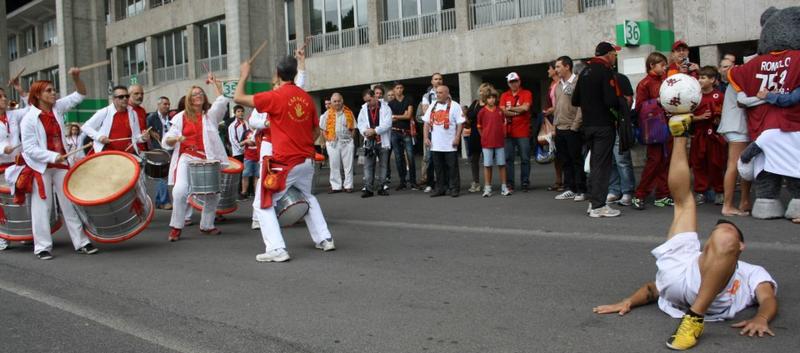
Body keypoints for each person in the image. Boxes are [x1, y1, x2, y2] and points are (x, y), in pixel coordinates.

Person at [593, 128, 778, 351]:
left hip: (707, 295)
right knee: (683, 202)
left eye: (727, 234)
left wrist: (762, 318)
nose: (715, 237)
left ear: (741, 247)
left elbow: (767, 299)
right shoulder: (698, 255)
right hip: (680, 271)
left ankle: (694, 319)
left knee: (725, 236)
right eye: (712, 239)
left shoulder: (750, 271)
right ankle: (679, 133)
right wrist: (628, 301)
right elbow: (654, 289)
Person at [234, 55, 335, 262]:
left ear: (278, 75)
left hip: (284, 162)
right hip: (306, 160)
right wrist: (304, 143)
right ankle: (325, 239)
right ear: (296, 73)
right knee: (308, 197)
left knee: (264, 203)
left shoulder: (275, 96)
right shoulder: (306, 98)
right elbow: (316, 130)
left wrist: (244, 74)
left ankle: (277, 248)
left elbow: (239, 98)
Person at [15, 68, 98, 260]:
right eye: (49, 91)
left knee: (70, 203)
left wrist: (76, 78)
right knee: (42, 207)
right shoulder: (28, 119)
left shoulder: (57, 108)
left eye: (54, 90)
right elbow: (29, 148)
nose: (54, 93)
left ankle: (81, 241)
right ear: (38, 95)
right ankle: (42, 246)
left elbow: (80, 95)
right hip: (41, 166)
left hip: (61, 165)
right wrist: (52, 157)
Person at [162, 73, 229, 241]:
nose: (198, 96)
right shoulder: (180, 117)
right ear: (189, 99)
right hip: (187, 158)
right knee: (179, 191)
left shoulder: (211, 115)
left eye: (200, 93)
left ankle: (207, 225)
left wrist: (216, 84)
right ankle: (176, 227)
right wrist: (175, 139)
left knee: (213, 194)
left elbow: (222, 100)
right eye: (194, 94)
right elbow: (167, 139)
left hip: (208, 159)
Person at [572, 41, 622, 218]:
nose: (615, 57)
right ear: (608, 54)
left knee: (594, 164)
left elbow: (575, 100)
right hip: (603, 125)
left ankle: (593, 202)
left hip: (588, 125)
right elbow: (610, 100)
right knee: (602, 165)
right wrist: (621, 103)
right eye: (614, 54)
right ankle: (598, 206)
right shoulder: (605, 70)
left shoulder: (584, 71)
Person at [632, 52, 672, 210]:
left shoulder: (665, 80)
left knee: (664, 160)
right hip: (654, 127)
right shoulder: (644, 84)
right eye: (662, 65)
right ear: (652, 65)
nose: (665, 67)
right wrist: (656, 101)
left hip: (666, 124)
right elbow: (640, 107)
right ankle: (640, 194)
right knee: (654, 161)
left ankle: (662, 194)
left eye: (665, 65)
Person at [0, 78, 29, 251]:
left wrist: (20, 90)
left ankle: (24, 232)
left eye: (4, 96)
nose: (4, 99)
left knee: (22, 199)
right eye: (0, 96)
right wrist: (4, 148)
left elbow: (32, 109)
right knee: (3, 203)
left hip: (18, 164)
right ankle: (3, 236)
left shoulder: (12, 114)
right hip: (1, 166)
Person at [552, 56, 587, 202]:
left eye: (559, 66)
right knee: (565, 160)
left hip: (573, 128)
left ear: (567, 67)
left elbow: (581, 106)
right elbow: (557, 107)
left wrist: (575, 125)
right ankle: (569, 188)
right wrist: (554, 127)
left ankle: (581, 189)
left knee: (576, 160)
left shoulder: (578, 82)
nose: (556, 69)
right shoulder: (558, 85)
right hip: (560, 128)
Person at [691, 66, 727, 205]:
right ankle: (701, 191)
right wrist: (699, 117)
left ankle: (719, 191)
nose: (700, 80)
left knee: (716, 163)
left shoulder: (720, 96)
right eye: (699, 77)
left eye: (703, 78)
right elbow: (687, 115)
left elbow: (725, 114)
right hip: (699, 134)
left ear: (712, 80)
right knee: (698, 163)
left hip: (715, 135)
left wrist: (718, 118)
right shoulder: (694, 96)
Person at [82, 86, 149, 155]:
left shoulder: (133, 113)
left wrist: (143, 138)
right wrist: (99, 137)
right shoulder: (105, 111)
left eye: (127, 96)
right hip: (107, 154)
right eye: (121, 97)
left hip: (127, 154)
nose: (125, 99)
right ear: (113, 99)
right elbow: (85, 127)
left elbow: (136, 137)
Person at [423, 85, 464, 197]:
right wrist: (426, 138)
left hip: (449, 143)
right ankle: (440, 188)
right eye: (437, 93)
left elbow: (460, 123)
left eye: (440, 93)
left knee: (452, 167)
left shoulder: (455, 106)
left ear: (447, 93)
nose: (438, 95)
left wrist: (457, 137)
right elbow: (426, 123)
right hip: (436, 144)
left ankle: (454, 188)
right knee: (438, 168)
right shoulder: (433, 105)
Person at [500, 72, 533, 192]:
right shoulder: (504, 95)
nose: (513, 83)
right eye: (511, 82)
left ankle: (525, 182)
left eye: (515, 81)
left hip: (523, 131)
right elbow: (503, 111)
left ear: (519, 81)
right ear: (508, 83)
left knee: (525, 158)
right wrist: (518, 111)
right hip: (508, 132)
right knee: (509, 158)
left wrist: (510, 109)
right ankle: (510, 184)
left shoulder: (526, 93)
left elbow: (526, 108)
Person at [608, 72, 637, 206]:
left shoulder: (620, 78)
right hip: (605, 125)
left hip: (620, 124)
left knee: (621, 159)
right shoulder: (599, 78)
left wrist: (621, 116)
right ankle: (614, 189)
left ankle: (627, 191)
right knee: (610, 159)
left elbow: (629, 99)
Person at [357, 88, 392, 198]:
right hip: (369, 141)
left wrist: (375, 130)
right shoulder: (363, 109)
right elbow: (360, 123)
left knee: (383, 165)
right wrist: (365, 131)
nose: (368, 103)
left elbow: (388, 123)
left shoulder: (385, 108)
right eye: (366, 101)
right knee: (368, 165)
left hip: (382, 141)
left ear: (375, 97)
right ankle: (368, 189)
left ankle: (382, 187)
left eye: (369, 100)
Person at [320, 92, 355, 193]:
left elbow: (353, 128)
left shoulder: (349, 112)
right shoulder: (326, 114)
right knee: (334, 165)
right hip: (332, 143)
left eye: (339, 101)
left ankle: (348, 185)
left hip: (347, 142)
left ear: (342, 101)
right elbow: (322, 129)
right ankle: (336, 186)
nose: (337, 103)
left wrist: (351, 140)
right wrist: (328, 140)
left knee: (348, 165)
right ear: (331, 102)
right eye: (334, 101)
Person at [477, 86, 508, 197]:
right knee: (488, 165)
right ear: (485, 99)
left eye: (493, 97)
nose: (492, 100)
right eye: (489, 98)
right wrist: (484, 136)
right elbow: (479, 127)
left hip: (499, 142)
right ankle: (487, 188)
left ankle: (504, 187)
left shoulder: (500, 111)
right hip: (487, 143)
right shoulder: (482, 112)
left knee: (501, 164)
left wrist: (503, 135)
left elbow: (504, 124)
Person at [388, 82, 416, 191]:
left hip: (406, 132)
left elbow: (409, 116)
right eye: (397, 88)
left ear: (403, 89)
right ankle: (402, 181)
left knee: (410, 157)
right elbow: (390, 118)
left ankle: (413, 181)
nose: (399, 90)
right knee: (399, 158)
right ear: (394, 90)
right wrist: (402, 115)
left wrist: (396, 116)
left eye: (401, 88)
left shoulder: (408, 99)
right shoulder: (391, 104)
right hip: (395, 132)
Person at [146, 96, 172, 210]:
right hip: (158, 149)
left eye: (168, 104)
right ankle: (165, 201)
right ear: (159, 105)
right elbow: (145, 128)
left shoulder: (170, 118)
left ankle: (158, 201)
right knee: (162, 175)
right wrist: (151, 132)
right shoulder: (152, 117)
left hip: (169, 148)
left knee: (162, 175)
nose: (167, 106)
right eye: (165, 104)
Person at [419, 73, 443, 192]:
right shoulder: (427, 96)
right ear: (432, 81)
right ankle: (430, 182)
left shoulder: (447, 95)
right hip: (431, 130)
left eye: (440, 79)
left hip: (444, 131)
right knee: (429, 157)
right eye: (435, 79)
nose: (438, 81)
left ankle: (442, 182)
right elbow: (425, 112)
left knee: (442, 157)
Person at [466, 83, 492, 193]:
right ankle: (476, 182)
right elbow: (469, 117)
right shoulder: (475, 103)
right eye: (480, 90)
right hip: (474, 134)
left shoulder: (490, 104)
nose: (481, 93)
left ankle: (488, 184)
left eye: (484, 91)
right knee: (474, 159)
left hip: (486, 133)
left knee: (488, 159)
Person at [543, 61, 564, 192]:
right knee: (556, 152)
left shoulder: (560, 84)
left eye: (550, 68)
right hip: (552, 118)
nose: (549, 71)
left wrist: (552, 109)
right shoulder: (552, 84)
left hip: (560, 118)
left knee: (563, 152)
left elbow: (561, 102)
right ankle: (558, 180)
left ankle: (567, 182)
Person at [228, 105, 249, 199]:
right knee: (238, 173)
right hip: (238, 152)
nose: (240, 113)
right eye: (238, 111)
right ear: (235, 113)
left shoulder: (246, 123)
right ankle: (237, 193)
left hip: (247, 151)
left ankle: (245, 191)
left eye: (242, 111)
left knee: (246, 172)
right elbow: (233, 140)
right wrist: (241, 148)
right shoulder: (232, 126)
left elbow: (249, 134)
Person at [128, 84, 149, 152]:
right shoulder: (123, 110)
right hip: (129, 149)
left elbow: (143, 128)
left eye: (142, 94)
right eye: (136, 93)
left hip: (142, 148)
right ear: (129, 95)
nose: (140, 96)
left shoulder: (142, 110)